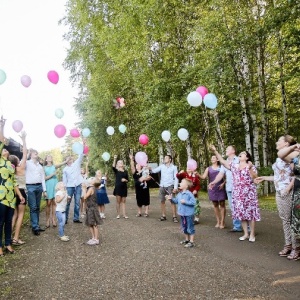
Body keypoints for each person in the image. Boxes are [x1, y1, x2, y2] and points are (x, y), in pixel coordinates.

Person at [255, 135, 296, 257]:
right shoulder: (280, 158)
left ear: (286, 144)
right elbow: (279, 177)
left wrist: (289, 188)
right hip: (279, 191)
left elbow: (295, 174)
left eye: (280, 140)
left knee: (290, 220)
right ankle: (288, 245)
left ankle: (295, 247)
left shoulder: (289, 156)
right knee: (285, 220)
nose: (277, 142)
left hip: (287, 191)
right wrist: (264, 178)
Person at [210, 145, 259, 242]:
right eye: (240, 154)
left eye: (242, 154)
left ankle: (252, 234)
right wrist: (215, 151)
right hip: (238, 193)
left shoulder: (251, 167)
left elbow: (256, 179)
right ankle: (245, 234)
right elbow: (223, 162)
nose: (240, 155)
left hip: (249, 193)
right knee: (241, 213)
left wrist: (249, 168)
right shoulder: (235, 166)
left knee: (251, 213)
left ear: (247, 157)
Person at [0, 116, 25, 256]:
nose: (5, 150)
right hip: (1, 196)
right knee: (0, 222)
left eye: (5, 149)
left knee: (9, 221)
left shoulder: (10, 165)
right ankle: (0, 246)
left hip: (10, 196)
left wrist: (20, 196)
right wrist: (2, 126)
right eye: (3, 149)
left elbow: (14, 181)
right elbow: (1, 140)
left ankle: (8, 243)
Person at [208, 145, 242, 232]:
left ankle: (248, 228)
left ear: (233, 151)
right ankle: (237, 226)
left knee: (242, 207)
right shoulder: (225, 162)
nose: (226, 150)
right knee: (233, 208)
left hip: (240, 188)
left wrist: (215, 151)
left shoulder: (239, 160)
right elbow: (220, 174)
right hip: (230, 188)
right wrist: (214, 182)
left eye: (228, 149)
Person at [277, 142, 300, 260]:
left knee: (293, 221)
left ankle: (296, 248)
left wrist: (288, 187)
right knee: (293, 221)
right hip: (297, 192)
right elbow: (280, 155)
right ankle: (294, 247)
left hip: (292, 190)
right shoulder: (295, 154)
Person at [9, 131, 27, 246]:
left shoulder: (10, 170)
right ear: (16, 161)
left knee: (14, 215)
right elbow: (25, 153)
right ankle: (15, 238)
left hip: (12, 193)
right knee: (20, 216)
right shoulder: (20, 169)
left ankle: (8, 238)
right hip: (21, 192)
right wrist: (24, 139)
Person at [167, 178, 196, 248]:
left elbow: (193, 202)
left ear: (186, 186)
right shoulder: (179, 194)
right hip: (182, 214)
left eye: (182, 182)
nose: (180, 183)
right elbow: (176, 201)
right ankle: (187, 240)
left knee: (190, 227)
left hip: (189, 214)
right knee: (184, 227)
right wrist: (170, 199)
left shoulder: (189, 194)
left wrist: (185, 202)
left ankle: (191, 242)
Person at [199, 155, 227, 229]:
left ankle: (222, 222)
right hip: (212, 188)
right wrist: (197, 174)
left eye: (213, 158)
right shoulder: (208, 169)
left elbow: (226, 177)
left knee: (222, 204)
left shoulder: (222, 168)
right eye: (211, 158)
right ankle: (218, 221)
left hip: (220, 187)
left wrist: (223, 184)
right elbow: (203, 177)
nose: (212, 159)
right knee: (215, 204)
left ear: (217, 159)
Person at [150, 155, 179, 222]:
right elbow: (154, 171)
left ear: (170, 160)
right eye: (164, 158)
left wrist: (175, 187)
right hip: (162, 186)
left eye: (166, 158)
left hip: (170, 186)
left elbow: (176, 178)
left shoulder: (174, 167)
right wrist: (150, 168)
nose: (164, 159)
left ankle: (174, 217)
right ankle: (163, 216)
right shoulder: (162, 166)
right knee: (162, 201)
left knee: (172, 201)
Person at [26, 148, 47, 236]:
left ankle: (36, 225)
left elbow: (42, 178)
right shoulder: (27, 163)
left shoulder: (40, 166)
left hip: (39, 187)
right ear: (30, 154)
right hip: (30, 187)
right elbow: (21, 163)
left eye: (37, 153)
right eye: (34, 152)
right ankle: (35, 227)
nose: (36, 154)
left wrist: (44, 190)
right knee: (33, 207)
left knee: (37, 207)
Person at [44, 154, 67, 228]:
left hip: (55, 184)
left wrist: (67, 160)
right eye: (48, 157)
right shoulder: (43, 168)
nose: (50, 157)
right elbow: (44, 178)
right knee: (48, 203)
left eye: (51, 156)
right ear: (46, 160)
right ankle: (47, 220)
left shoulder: (54, 166)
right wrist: (52, 174)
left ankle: (53, 219)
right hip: (48, 185)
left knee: (54, 203)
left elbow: (62, 164)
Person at [63, 152, 84, 224]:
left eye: (70, 159)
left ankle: (76, 218)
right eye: (68, 159)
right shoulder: (65, 169)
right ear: (66, 161)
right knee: (67, 202)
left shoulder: (76, 164)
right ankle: (65, 219)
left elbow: (81, 155)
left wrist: (83, 145)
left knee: (77, 202)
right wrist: (64, 188)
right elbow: (64, 179)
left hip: (78, 186)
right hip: (69, 187)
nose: (69, 160)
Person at [84, 177, 103, 245]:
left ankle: (96, 239)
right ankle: (93, 238)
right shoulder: (92, 188)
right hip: (90, 208)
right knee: (90, 223)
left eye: (92, 179)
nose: (90, 179)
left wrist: (83, 188)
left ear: (93, 182)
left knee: (94, 224)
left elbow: (85, 197)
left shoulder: (91, 188)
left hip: (92, 208)